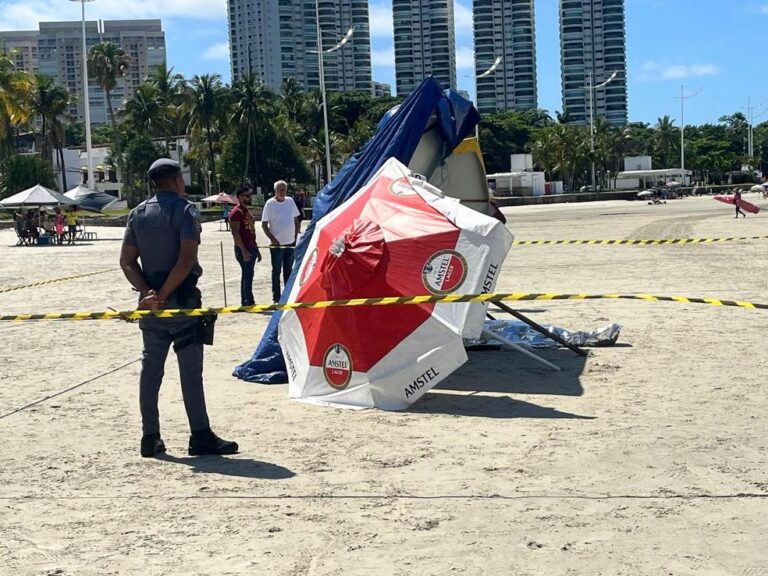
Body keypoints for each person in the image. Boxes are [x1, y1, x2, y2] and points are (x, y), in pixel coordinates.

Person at [120, 158, 238, 458]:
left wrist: (149, 294)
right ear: (176, 181)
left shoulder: (137, 214)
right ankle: (200, 435)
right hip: (182, 304)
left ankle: (150, 437)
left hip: (150, 308)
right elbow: (186, 260)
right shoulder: (185, 210)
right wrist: (164, 294)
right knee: (190, 372)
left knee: (151, 372)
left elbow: (127, 261)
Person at [262, 180, 301, 303]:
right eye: (280, 190)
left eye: (284, 190)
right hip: (277, 245)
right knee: (276, 271)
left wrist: (296, 235)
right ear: (275, 191)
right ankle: (276, 297)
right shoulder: (270, 204)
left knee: (288, 271)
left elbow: (296, 219)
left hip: (290, 243)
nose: (282, 192)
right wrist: (273, 239)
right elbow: (264, 224)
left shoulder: (290, 201)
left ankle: (287, 295)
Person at [229, 186, 262, 306]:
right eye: (246, 196)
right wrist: (243, 250)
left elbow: (251, 232)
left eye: (249, 196)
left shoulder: (246, 210)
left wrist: (256, 249)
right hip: (243, 248)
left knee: (248, 274)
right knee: (247, 275)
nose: (249, 198)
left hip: (251, 247)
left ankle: (246, 300)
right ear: (239, 197)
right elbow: (235, 233)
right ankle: (248, 301)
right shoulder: (236, 212)